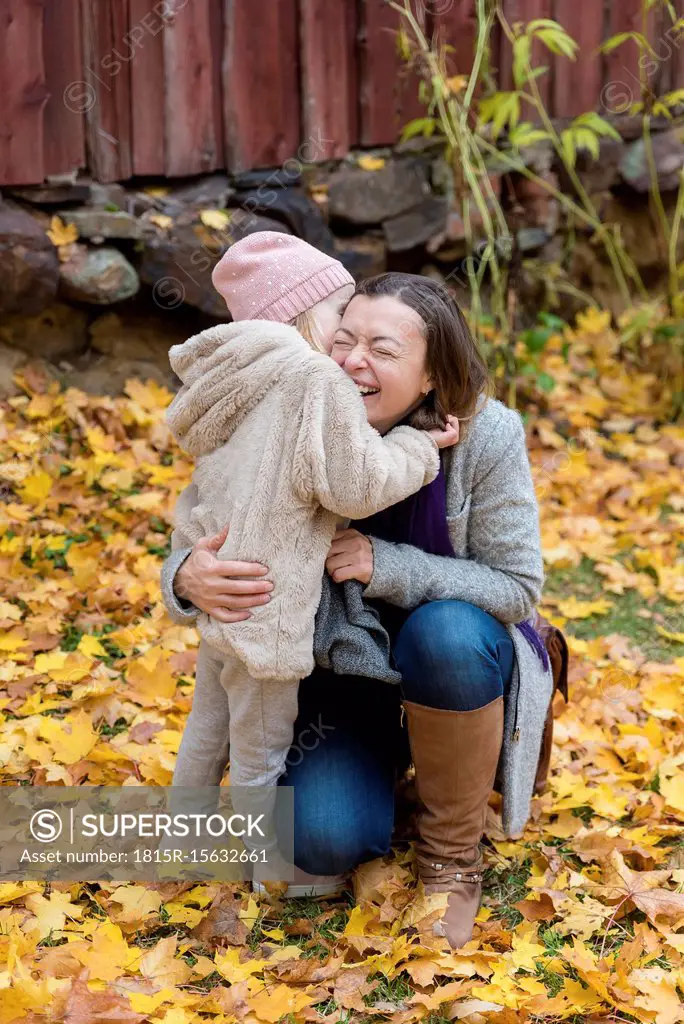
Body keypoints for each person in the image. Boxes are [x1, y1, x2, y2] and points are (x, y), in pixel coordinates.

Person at [162, 271, 552, 947]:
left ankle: (451, 860)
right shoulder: (288, 409)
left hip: (452, 665)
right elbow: (200, 527)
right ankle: (385, 772)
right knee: (321, 837)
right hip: (340, 686)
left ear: (432, 376)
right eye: (343, 340)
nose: (352, 362)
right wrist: (186, 576)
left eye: (382, 348)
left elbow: (517, 586)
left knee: (446, 633)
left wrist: (387, 565)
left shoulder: (487, 435)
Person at [164, 236, 459, 876]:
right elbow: (352, 482)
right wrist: (416, 449)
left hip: (236, 615)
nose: (347, 352)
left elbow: (206, 495)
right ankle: (260, 868)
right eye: (340, 323)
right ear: (305, 318)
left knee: (208, 730)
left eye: (377, 346)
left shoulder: (240, 380)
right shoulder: (311, 379)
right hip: (270, 611)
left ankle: (176, 842)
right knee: (259, 751)